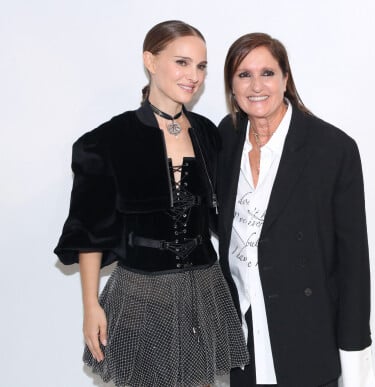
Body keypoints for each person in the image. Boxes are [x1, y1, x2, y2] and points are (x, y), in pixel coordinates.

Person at [54, 20, 249, 387]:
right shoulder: (108, 140)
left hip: (203, 291)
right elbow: (89, 232)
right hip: (140, 294)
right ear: (150, 60)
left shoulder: (209, 133)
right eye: (182, 62)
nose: (194, 76)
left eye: (201, 66)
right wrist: (91, 305)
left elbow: (226, 211)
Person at [217, 33, 375, 386]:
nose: (256, 85)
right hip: (244, 335)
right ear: (231, 85)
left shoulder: (332, 150)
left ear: (286, 79)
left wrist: (354, 358)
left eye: (267, 73)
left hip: (308, 335)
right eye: (244, 75)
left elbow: (353, 263)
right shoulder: (225, 140)